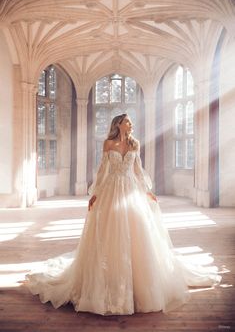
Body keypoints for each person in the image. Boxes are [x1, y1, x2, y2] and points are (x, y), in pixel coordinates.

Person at [25, 113, 222, 315]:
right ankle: (108, 281)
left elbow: (138, 170)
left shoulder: (135, 144)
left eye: (130, 121)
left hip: (130, 190)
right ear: (118, 124)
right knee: (111, 233)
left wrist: (147, 191)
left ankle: (137, 283)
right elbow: (102, 170)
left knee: (137, 234)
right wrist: (95, 193)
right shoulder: (108, 143)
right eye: (127, 121)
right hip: (111, 190)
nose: (130, 123)